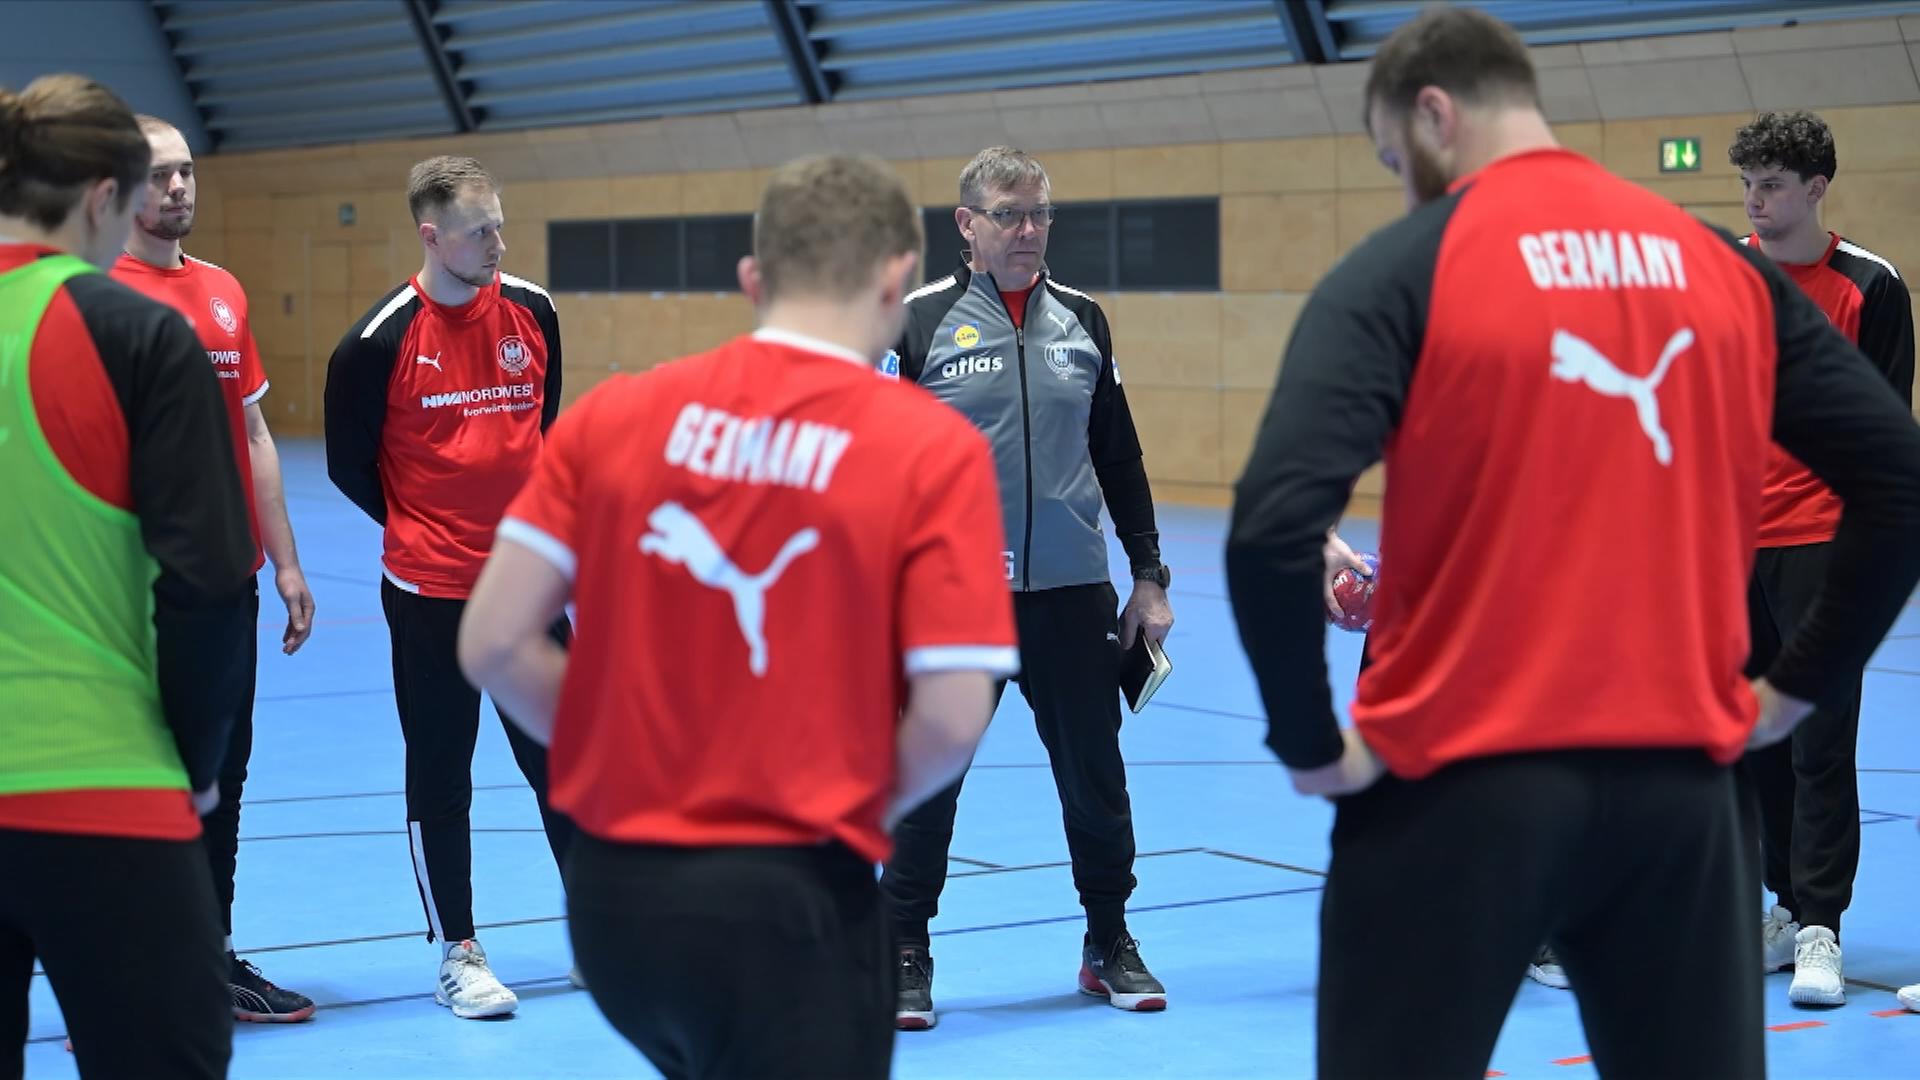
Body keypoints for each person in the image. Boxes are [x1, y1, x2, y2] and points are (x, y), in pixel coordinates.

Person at [1222, 7, 1920, 1078]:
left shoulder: (1407, 264)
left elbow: (1273, 526)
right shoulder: (1714, 266)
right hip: (1680, 796)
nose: (1404, 187)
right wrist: (1794, 690)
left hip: (1455, 780)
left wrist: (1311, 747)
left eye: (1395, 160)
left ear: (1435, 114)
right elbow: (1899, 481)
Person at [457, 153, 1015, 1079]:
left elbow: (492, 640)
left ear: (755, 279)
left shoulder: (617, 414)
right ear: (896, 279)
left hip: (616, 903)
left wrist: (624, 760)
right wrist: (842, 809)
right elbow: (955, 716)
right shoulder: (928, 447)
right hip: (787, 899)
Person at [877, 145, 1175, 1028]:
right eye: (1009, 215)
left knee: (1096, 780)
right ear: (966, 224)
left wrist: (1148, 577)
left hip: (1073, 596)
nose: (1029, 230)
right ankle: (903, 948)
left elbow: (1119, 455)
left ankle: (1108, 939)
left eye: (1040, 213)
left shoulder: (1083, 320)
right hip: (954, 601)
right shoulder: (917, 324)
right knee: (928, 783)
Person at [0, 74, 256, 1079]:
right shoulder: (134, 333)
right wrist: (197, 762)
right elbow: (208, 583)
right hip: (100, 785)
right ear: (104, 195)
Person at [322, 155, 573, 1020]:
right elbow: (352, 466)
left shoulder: (533, 310)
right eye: (478, 232)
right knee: (442, 773)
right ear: (432, 236)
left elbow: (541, 425)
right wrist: (427, 527)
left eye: (499, 225)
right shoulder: (375, 344)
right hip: (430, 595)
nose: (497, 244)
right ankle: (458, 953)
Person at [111, 114, 317, 1024]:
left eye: (186, 172)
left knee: (222, 777)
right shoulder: (92, 296)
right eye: (159, 175)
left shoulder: (224, 291)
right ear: (117, 187)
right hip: (132, 590)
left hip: (228, 585)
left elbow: (256, 432)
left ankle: (208, 958)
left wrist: (286, 563)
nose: (177, 188)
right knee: (137, 782)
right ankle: (126, 974)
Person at [1725, 108, 1915, 1008]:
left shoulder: (1871, 286)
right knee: (1753, 739)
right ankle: (1782, 903)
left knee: (1820, 741)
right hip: (1730, 544)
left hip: (1823, 544)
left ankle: (1820, 929)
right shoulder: (1721, 275)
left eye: (1771, 186)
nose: (1755, 203)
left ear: (1815, 188)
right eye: (1747, 186)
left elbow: (1883, 436)